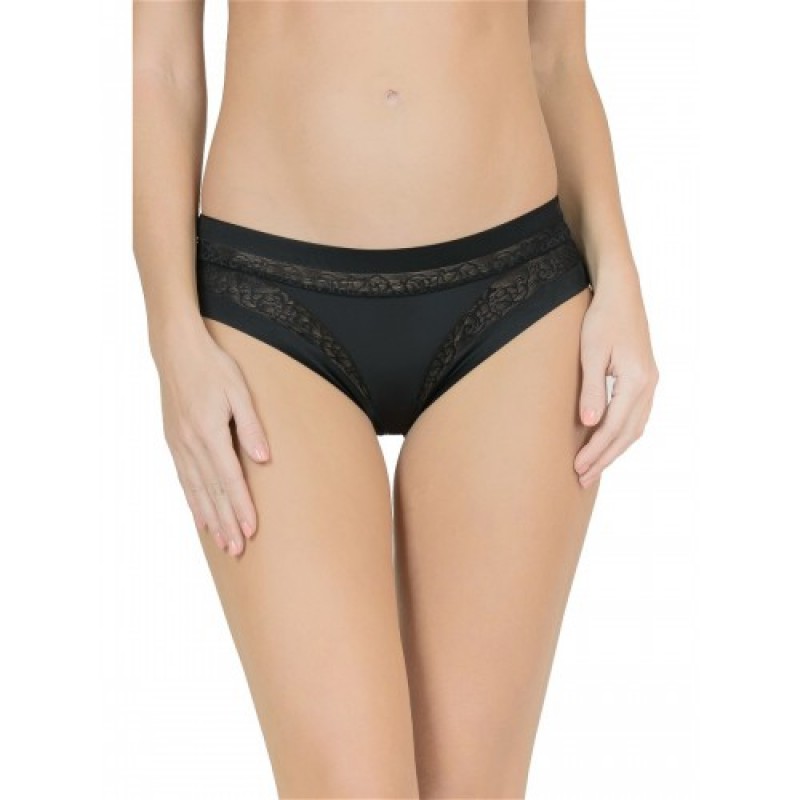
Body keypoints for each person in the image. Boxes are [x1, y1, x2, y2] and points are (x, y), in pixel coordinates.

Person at [132, 1, 658, 796]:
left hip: (516, 300)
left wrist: (619, 275)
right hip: (269, 309)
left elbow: (555, 56)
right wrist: (172, 336)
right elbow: (163, 65)